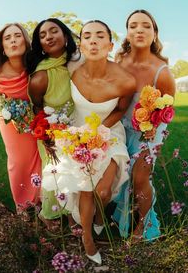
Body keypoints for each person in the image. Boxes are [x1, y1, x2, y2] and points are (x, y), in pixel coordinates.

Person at [42, 20, 136, 264]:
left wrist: (97, 132)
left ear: (110, 44)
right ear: (81, 44)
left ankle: (97, 217)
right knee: (85, 185)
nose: (93, 40)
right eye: (87, 36)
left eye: (100, 36)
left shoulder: (125, 79)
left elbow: (120, 110)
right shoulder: (71, 72)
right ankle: (87, 238)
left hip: (109, 132)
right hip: (77, 133)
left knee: (103, 191)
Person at [113, 9, 176, 242]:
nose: (139, 29)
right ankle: (118, 216)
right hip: (119, 128)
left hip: (148, 133)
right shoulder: (118, 63)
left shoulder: (163, 71)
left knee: (140, 179)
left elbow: (168, 109)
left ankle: (142, 227)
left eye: (146, 25)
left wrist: (153, 127)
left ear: (154, 33)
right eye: (133, 25)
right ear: (127, 32)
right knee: (120, 177)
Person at [0, 23, 41, 215]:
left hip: (38, 121)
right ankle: (22, 205)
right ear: (2, 47)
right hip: (12, 124)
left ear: (25, 41)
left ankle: (41, 202)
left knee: (40, 160)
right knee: (17, 162)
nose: (13, 40)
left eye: (18, 36)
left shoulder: (35, 65)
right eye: (8, 37)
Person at [26, 18, 78, 232]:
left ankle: (74, 213)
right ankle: (48, 212)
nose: (49, 36)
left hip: (80, 126)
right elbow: (37, 109)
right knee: (55, 173)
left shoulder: (79, 62)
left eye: (54, 31)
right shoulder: (40, 76)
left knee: (78, 173)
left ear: (65, 36)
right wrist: (47, 136)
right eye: (43, 35)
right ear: (40, 44)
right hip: (51, 132)